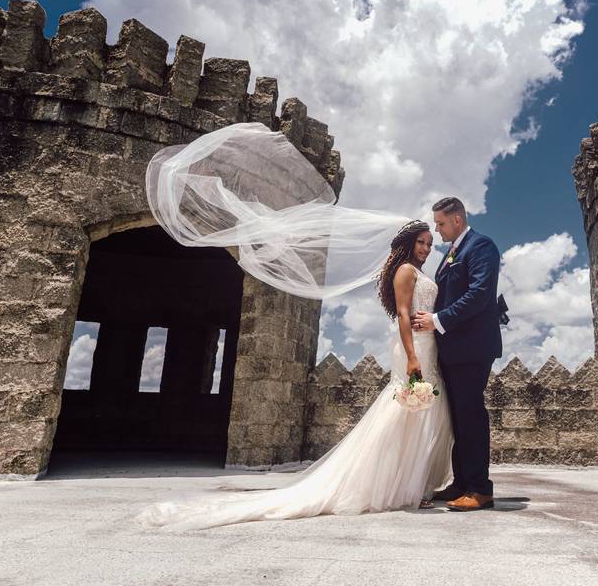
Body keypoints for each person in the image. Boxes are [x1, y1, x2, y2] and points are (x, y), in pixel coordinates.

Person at [134, 220, 453, 530]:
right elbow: (401, 313)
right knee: (404, 413)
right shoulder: (405, 271)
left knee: (422, 413)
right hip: (413, 348)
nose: (426, 247)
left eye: (429, 243)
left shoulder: (420, 272)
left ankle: (414, 483)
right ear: (408, 243)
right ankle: (402, 486)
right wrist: (412, 357)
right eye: (421, 241)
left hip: (429, 346)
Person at [411, 196, 502, 512]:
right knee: (458, 419)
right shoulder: (451, 253)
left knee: (471, 415)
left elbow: (479, 294)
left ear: (458, 220)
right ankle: (461, 482)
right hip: (451, 349)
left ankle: (480, 489)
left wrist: (435, 321)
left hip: (473, 347)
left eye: (440, 223)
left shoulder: (481, 247)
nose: (437, 230)